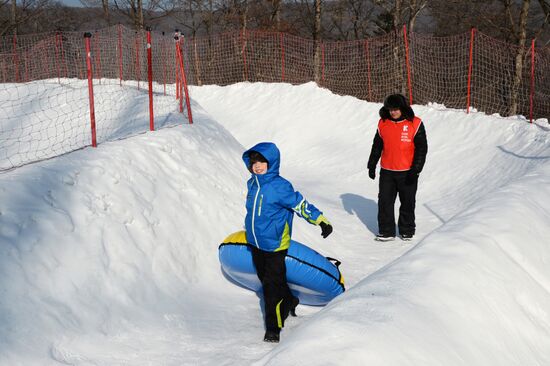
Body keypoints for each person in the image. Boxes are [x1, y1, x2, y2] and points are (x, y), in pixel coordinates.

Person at [242, 142, 333, 343]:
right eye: (254, 162)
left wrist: (320, 220)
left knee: (271, 287)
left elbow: (299, 204)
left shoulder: (280, 186)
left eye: (262, 162)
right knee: (266, 279)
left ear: (271, 163)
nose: (257, 166)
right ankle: (290, 300)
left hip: (275, 244)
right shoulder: (252, 183)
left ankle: (273, 327)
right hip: (255, 242)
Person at [367, 94, 428, 241]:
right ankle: (387, 231)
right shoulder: (383, 123)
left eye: (396, 109)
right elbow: (377, 146)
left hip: (408, 172)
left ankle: (407, 230)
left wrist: (416, 169)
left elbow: (422, 148)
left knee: (407, 202)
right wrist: (372, 164)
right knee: (385, 202)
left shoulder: (415, 123)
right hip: (387, 172)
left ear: (402, 108)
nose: (393, 112)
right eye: (390, 109)